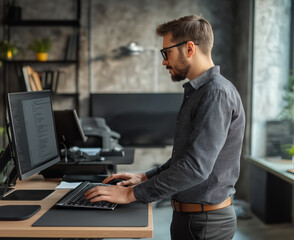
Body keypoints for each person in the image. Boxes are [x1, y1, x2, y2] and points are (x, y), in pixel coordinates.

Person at [85, 15, 245, 240]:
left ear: (189, 49)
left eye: (166, 52)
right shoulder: (201, 91)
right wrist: (145, 177)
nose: (163, 61)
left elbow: (195, 168)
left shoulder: (215, 94)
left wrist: (131, 194)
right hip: (192, 218)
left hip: (205, 224)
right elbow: (186, 158)